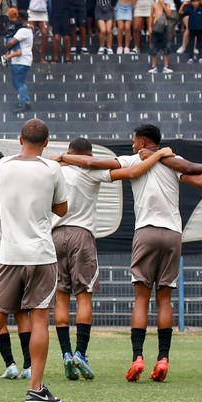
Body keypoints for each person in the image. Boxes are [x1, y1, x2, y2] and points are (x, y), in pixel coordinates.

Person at [56, 124, 202, 383]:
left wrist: (63, 157)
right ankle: (163, 358)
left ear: (141, 142)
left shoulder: (132, 159)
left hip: (145, 231)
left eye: (133, 140)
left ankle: (137, 357)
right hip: (173, 232)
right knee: (164, 299)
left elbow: (93, 162)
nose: (131, 145)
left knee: (141, 299)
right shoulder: (174, 160)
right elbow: (201, 179)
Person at [0, 119, 68, 402]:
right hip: (42, 255)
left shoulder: (4, 165)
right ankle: (35, 389)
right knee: (39, 319)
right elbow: (62, 208)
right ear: (46, 142)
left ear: (20, 140)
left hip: (9, 254)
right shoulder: (52, 168)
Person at [51, 139, 175, 382]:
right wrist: (158, 155)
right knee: (84, 295)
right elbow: (131, 172)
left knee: (61, 296)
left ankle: (66, 353)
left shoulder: (54, 171)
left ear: (69, 153)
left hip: (54, 235)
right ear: (87, 155)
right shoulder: (91, 171)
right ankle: (81, 353)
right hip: (82, 234)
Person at [2, 8, 33, 113]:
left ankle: (23, 103)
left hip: (21, 60)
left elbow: (12, 42)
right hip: (21, 60)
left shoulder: (23, 30)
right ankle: (26, 100)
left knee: (19, 82)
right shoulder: (25, 29)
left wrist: (6, 47)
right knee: (17, 82)